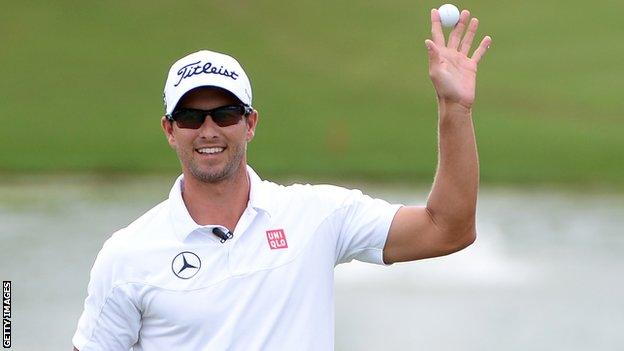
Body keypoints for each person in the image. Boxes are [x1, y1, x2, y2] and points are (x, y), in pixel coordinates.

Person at [72, 8, 491, 351]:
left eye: (226, 114)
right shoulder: (127, 256)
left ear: (250, 123)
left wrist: (454, 107)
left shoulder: (316, 216)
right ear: (169, 130)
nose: (208, 130)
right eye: (189, 117)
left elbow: (447, 228)